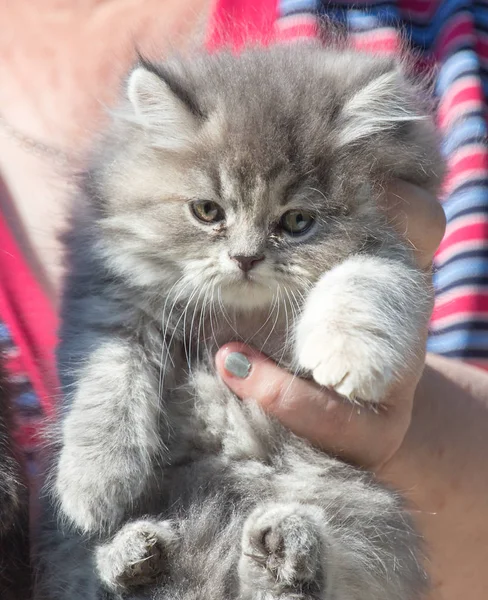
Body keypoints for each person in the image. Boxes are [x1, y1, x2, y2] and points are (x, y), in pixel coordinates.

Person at [0, 1, 487, 599]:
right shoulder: (128, 199)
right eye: (209, 213)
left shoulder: (440, 37)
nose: (246, 254)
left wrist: (363, 405)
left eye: (296, 219)